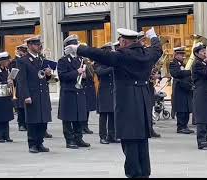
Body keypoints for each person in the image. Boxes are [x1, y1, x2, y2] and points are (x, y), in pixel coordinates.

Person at [64, 27, 162, 178]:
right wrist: (153, 36)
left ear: (123, 41)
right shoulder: (147, 54)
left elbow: (101, 55)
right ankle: (144, 173)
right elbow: (157, 48)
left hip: (127, 101)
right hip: (142, 100)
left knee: (129, 141)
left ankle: (134, 174)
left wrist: (79, 49)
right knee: (142, 140)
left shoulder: (123, 55)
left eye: (120, 41)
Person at [17, 35, 52, 153]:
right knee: (33, 120)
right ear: (29, 46)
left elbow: (44, 78)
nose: (39, 47)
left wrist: (48, 74)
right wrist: (26, 95)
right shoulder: (23, 60)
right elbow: (22, 80)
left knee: (43, 120)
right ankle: (32, 144)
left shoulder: (41, 59)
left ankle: (40, 142)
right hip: (32, 94)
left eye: (39, 44)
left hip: (43, 94)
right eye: (36, 45)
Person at [57, 34, 90, 149]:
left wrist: (85, 75)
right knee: (68, 118)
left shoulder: (80, 59)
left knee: (79, 117)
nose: (77, 46)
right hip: (68, 92)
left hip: (79, 91)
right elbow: (62, 76)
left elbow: (87, 76)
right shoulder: (63, 60)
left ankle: (78, 138)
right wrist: (77, 71)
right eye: (74, 44)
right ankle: (69, 140)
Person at [95, 42, 120, 144]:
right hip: (104, 92)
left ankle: (112, 135)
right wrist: (111, 68)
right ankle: (102, 136)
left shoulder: (112, 62)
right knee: (104, 115)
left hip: (112, 91)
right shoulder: (99, 62)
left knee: (112, 115)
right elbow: (100, 72)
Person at [138, 31, 161, 138]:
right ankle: (145, 129)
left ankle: (150, 128)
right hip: (142, 85)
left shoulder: (146, 52)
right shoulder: (138, 53)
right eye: (142, 40)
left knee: (149, 107)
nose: (144, 42)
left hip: (149, 85)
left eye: (144, 40)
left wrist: (155, 75)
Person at [169, 46, 194, 134]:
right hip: (179, 88)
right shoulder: (173, 63)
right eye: (181, 54)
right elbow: (175, 73)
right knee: (181, 108)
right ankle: (180, 126)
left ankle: (185, 125)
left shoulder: (184, 64)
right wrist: (187, 72)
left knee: (187, 108)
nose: (183, 56)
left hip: (186, 87)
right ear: (176, 55)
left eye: (183, 54)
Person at [0, 52, 14, 143]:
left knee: (6, 117)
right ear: (2, 61)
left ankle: (6, 135)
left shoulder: (7, 69)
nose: (8, 62)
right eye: (7, 60)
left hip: (6, 96)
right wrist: (6, 82)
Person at [11, 43, 28, 131]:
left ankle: (27, 123)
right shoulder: (14, 61)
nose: (24, 53)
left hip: (26, 84)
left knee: (26, 105)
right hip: (18, 85)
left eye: (25, 51)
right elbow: (12, 74)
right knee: (20, 106)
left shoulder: (27, 60)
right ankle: (21, 123)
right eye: (22, 51)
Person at [82, 58, 96, 135]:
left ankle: (85, 126)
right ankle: (82, 126)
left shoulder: (89, 64)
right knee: (84, 109)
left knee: (88, 109)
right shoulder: (82, 63)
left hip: (90, 87)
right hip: (85, 87)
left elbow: (92, 74)